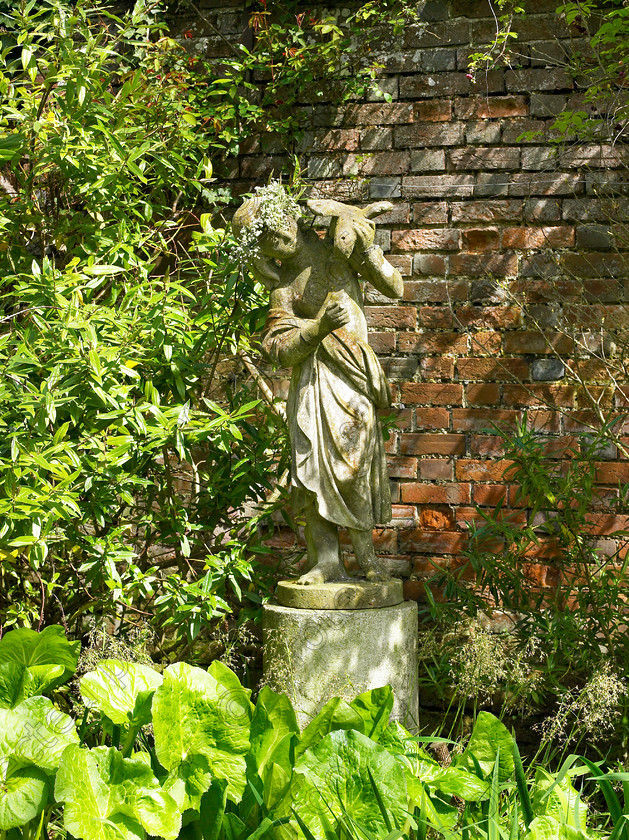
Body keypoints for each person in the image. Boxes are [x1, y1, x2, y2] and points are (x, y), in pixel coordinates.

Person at [232, 193, 404, 584]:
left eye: (281, 222)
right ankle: (325, 560)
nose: (280, 234)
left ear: (292, 214)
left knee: (355, 465)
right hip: (312, 386)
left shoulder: (337, 252)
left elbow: (395, 288)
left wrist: (368, 245)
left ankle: (367, 559)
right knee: (312, 472)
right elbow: (278, 348)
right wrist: (317, 327)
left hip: (353, 379)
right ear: (261, 251)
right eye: (268, 237)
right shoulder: (285, 290)